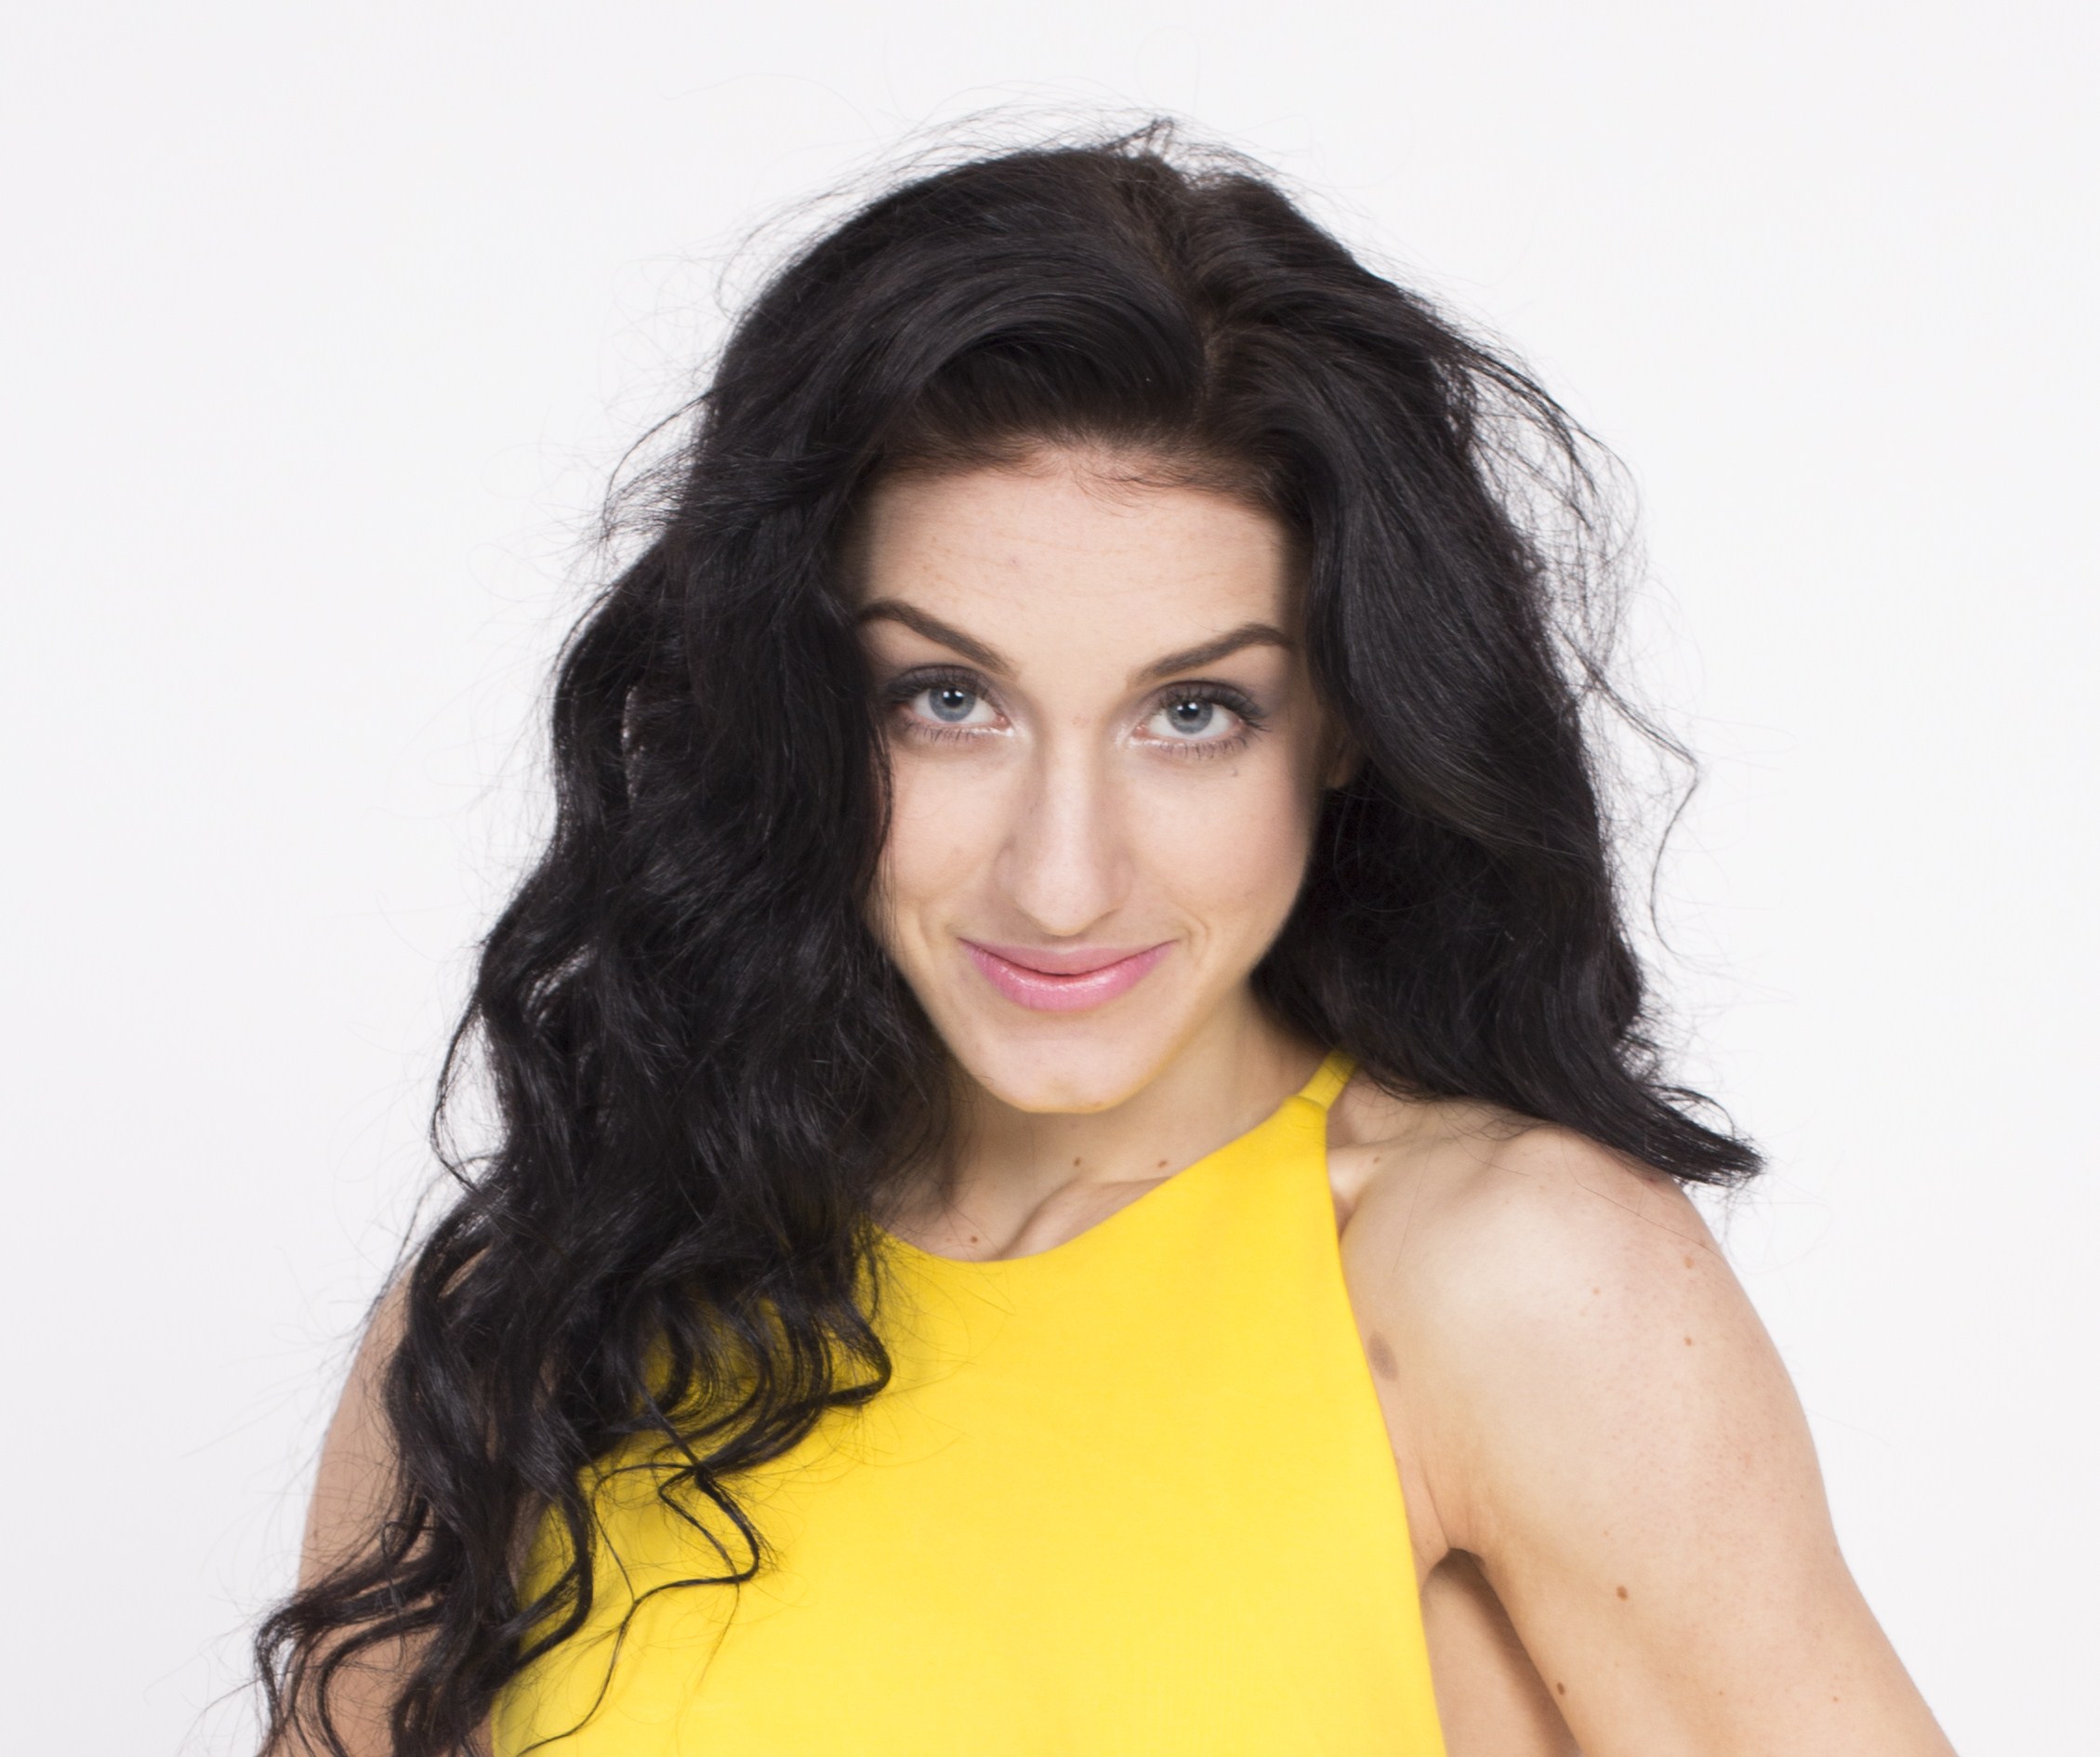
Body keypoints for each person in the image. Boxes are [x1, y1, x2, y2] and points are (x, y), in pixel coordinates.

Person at [261, 125, 1957, 1757]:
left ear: (1346, 720)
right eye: (948, 699)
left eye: (1194, 711)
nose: (1063, 881)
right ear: (797, 706)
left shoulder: (1510, 1283)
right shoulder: (536, 1313)